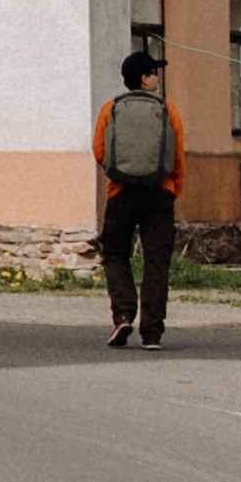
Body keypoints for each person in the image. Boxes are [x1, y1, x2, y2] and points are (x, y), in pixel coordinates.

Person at [93, 44, 185, 348]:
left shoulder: (111, 109)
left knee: (114, 251)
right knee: (156, 262)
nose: (157, 77)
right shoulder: (169, 110)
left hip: (121, 193)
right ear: (143, 79)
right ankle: (152, 333)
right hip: (159, 194)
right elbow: (178, 157)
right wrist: (173, 190)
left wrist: (117, 175)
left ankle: (123, 316)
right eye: (153, 72)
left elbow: (99, 150)